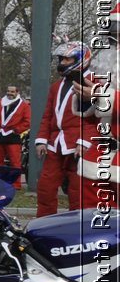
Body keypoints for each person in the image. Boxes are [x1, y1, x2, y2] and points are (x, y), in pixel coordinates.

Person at [35, 41, 91, 216]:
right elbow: (48, 116)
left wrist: (84, 141)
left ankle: (76, 228)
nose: (62, 63)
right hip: (55, 143)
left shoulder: (92, 82)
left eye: (67, 59)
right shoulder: (56, 86)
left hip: (78, 145)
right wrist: (41, 140)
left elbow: (96, 118)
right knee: (45, 187)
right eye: (61, 59)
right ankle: (43, 225)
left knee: (78, 192)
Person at [0, 82, 31, 187]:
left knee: (15, 162)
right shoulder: (0, 102)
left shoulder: (24, 106)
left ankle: (16, 184)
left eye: (12, 91)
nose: (9, 93)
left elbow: (28, 121)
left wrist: (17, 130)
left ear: (17, 92)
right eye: (8, 91)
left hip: (13, 136)